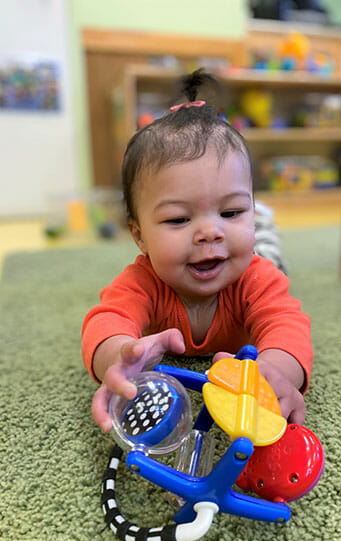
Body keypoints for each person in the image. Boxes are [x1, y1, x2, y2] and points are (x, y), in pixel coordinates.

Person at [81, 70, 313, 433]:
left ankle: (261, 223)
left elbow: (287, 325)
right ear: (139, 236)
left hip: (255, 260)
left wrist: (279, 369)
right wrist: (118, 356)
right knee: (252, 242)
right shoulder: (142, 280)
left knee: (268, 258)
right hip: (234, 254)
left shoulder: (256, 279)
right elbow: (106, 322)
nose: (209, 232)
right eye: (178, 219)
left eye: (231, 212)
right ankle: (255, 220)